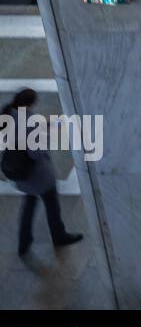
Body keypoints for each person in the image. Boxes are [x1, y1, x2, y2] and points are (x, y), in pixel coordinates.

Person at [1, 88, 82, 256]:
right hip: (37, 176)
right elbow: (35, 152)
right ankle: (59, 235)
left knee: (29, 205)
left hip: (20, 175)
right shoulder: (28, 121)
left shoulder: (7, 115)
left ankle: (24, 241)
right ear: (29, 103)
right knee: (52, 205)